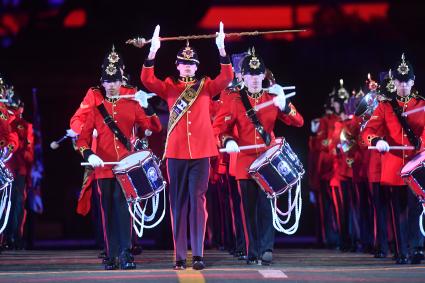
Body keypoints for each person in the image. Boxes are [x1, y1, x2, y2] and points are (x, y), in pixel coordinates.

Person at [140, 22, 233, 270]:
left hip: (202, 153)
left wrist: (222, 50)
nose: (188, 67)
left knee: (197, 202)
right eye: (184, 63)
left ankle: (199, 254)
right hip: (176, 154)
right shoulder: (170, 87)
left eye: (191, 64)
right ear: (178, 65)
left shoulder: (206, 86)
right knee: (178, 203)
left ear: (197, 66)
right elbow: (147, 80)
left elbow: (227, 78)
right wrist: (152, 52)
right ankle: (180, 255)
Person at [212, 49, 304, 265]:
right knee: (248, 210)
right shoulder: (234, 100)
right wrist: (228, 141)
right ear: (243, 76)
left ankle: (266, 248)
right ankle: (252, 250)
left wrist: (285, 106)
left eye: (258, 74)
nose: (254, 79)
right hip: (244, 161)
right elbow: (218, 129)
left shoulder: (272, 97)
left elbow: (298, 122)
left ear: (264, 75)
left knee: (265, 207)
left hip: (267, 162)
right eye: (250, 75)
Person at [76, 47, 162, 270]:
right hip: (103, 167)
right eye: (108, 81)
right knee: (107, 211)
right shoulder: (96, 108)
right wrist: (90, 154)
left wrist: (147, 104)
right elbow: (82, 140)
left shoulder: (131, 102)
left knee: (123, 209)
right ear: (102, 82)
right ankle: (112, 254)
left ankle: (125, 254)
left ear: (120, 79)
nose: (112, 85)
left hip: (126, 168)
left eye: (115, 80)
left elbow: (155, 127)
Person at [361, 54, 425, 264]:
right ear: (394, 82)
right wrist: (377, 139)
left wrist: (422, 143)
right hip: (395, 166)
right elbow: (367, 131)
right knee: (399, 211)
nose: (403, 85)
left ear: (413, 81)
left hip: (416, 165)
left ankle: (417, 248)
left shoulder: (421, 104)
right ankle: (402, 251)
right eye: (399, 81)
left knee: (417, 208)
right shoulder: (385, 107)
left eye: (407, 81)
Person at [4, 93, 34, 250]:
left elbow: (28, 151)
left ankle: (15, 237)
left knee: (17, 205)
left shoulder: (23, 125)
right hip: (6, 166)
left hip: (18, 169)